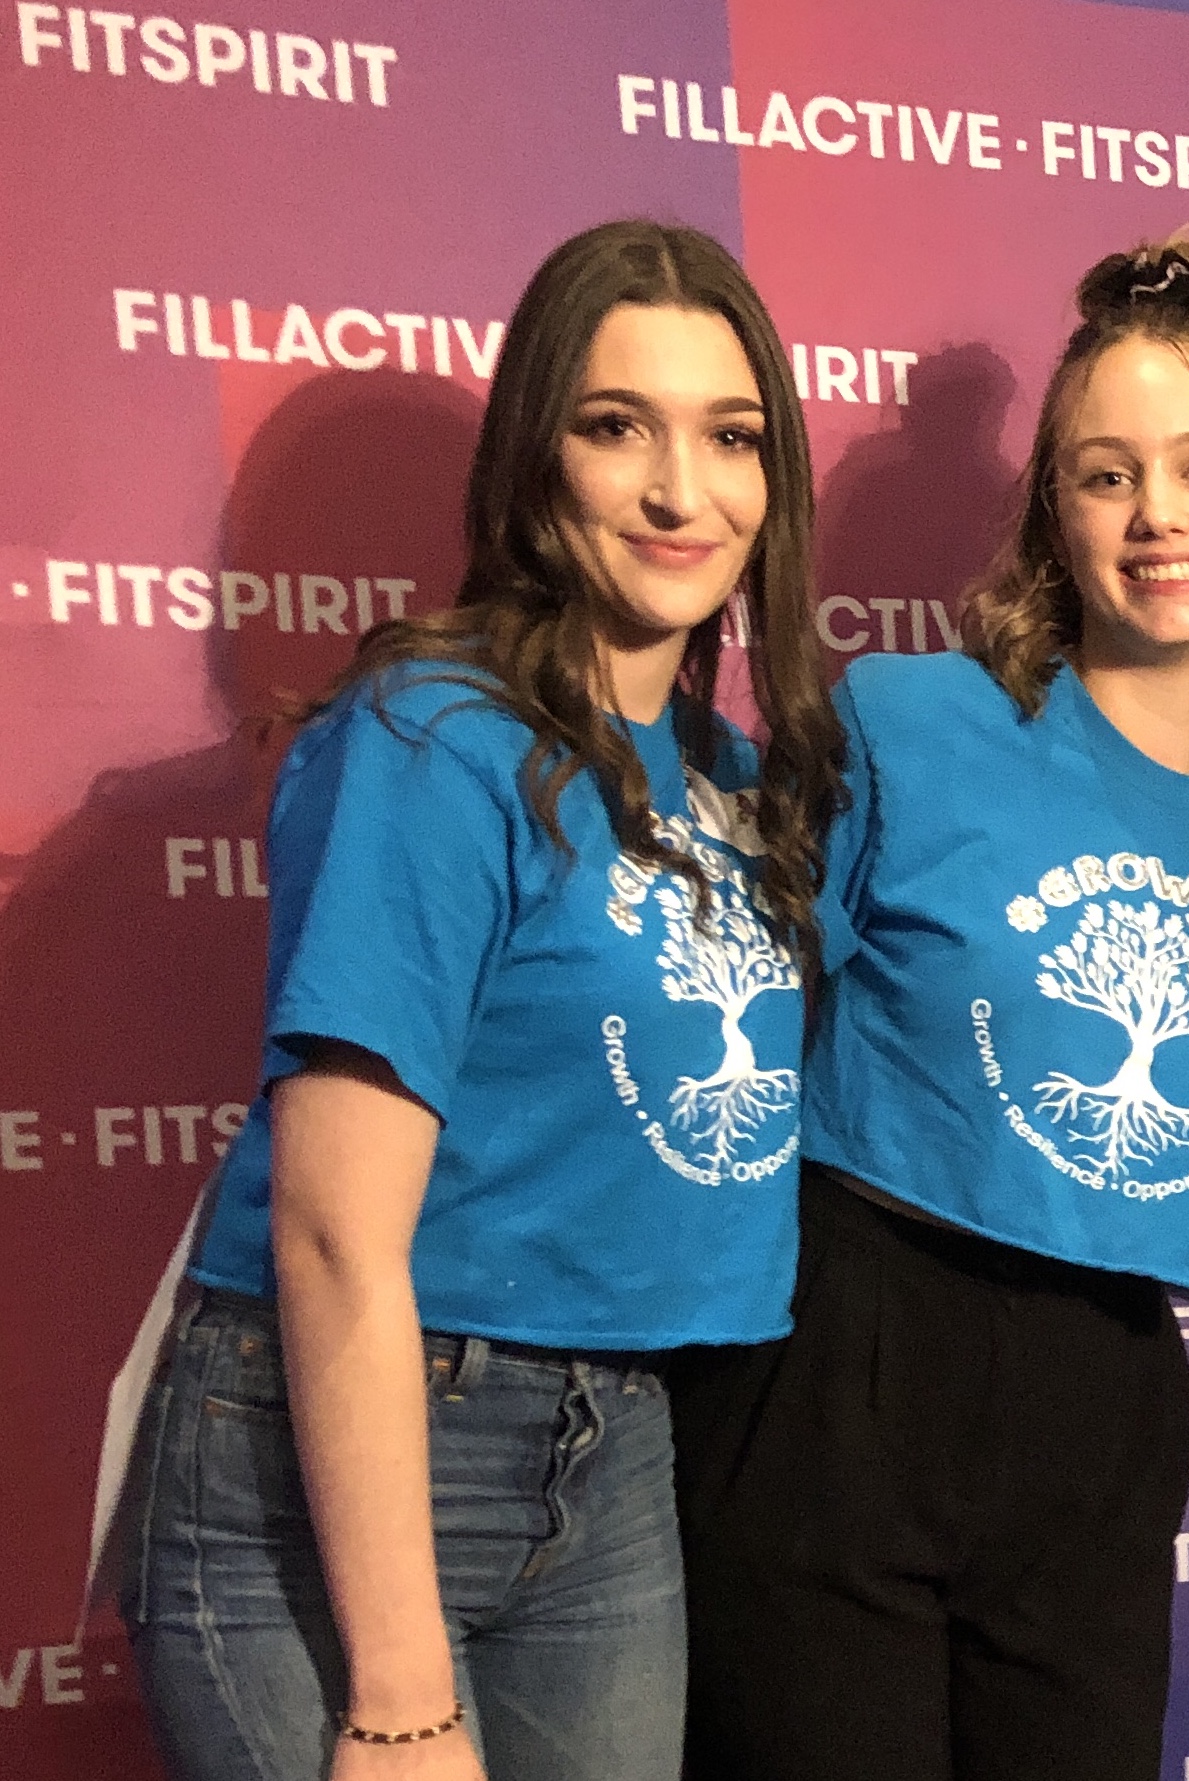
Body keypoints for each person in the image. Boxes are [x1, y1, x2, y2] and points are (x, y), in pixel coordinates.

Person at [119, 219, 843, 1781]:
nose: (682, 490)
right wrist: (400, 1696)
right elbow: (333, 1231)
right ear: (534, 458)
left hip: (611, 1445)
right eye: (616, 426)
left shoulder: (728, 779)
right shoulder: (433, 736)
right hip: (340, 1451)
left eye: (730, 436)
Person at [669, 236, 1189, 1781]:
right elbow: (731, 1020)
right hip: (842, 1355)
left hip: (1101, 1398)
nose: (1159, 513)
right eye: (1108, 475)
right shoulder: (905, 716)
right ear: (1056, 512)